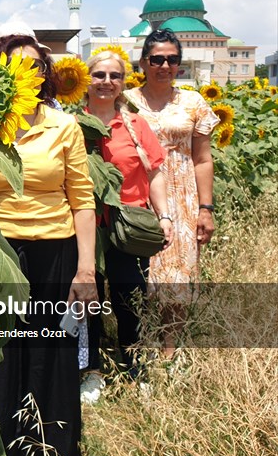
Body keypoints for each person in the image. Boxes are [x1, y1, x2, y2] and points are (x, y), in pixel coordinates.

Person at [0, 32, 96, 456]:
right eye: (16, 67)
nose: (27, 75)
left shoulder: (62, 126)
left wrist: (86, 269)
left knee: (46, 355)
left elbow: (83, 200)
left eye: (35, 66)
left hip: (53, 250)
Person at [123, 29, 219, 358]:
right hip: (138, 194)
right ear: (143, 62)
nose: (165, 65)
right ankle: (136, 348)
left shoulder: (193, 102)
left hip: (183, 196)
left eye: (172, 59)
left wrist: (205, 208)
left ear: (179, 63)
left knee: (177, 275)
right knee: (137, 273)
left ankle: (168, 352)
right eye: (157, 59)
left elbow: (203, 159)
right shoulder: (127, 101)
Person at [83, 51, 173, 396]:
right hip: (85, 225)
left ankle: (134, 366)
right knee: (86, 301)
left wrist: (163, 215)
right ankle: (90, 370)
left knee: (129, 301)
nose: (107, 82)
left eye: (115, 76)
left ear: (123, 82)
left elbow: (153, 173)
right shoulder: (72, 123)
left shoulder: (134, 125)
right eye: (99, 75)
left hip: (128, 227)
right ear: (87, 79)